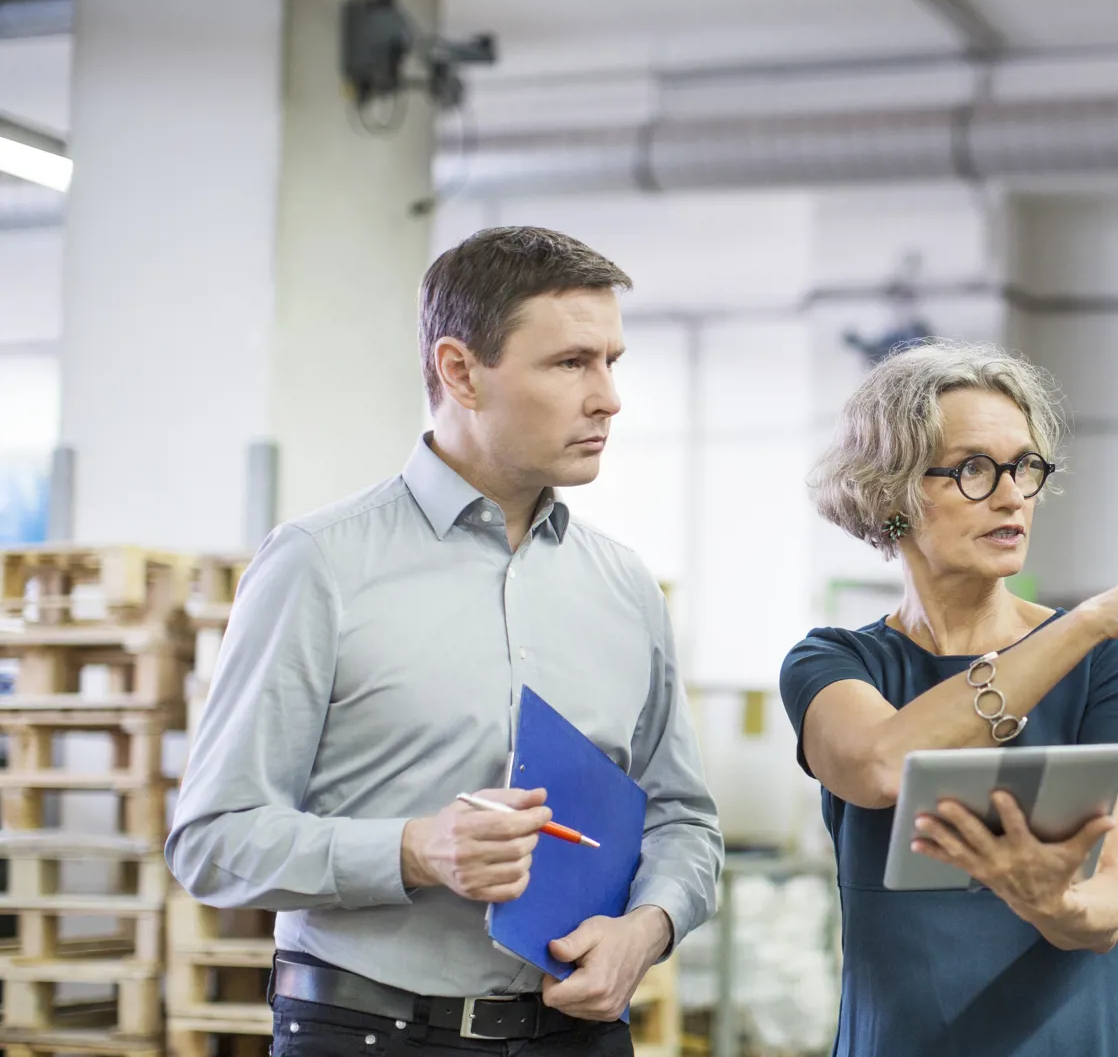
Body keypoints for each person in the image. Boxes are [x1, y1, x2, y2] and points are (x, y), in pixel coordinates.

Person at [167, 226, 723, 1056]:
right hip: (370, 1033)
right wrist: (414, 849)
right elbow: (213, 840)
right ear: (461, 371)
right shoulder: (320, 566)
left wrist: (646, 930)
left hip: (578, 1034)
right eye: (572, 363)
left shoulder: (625, 587)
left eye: (613, 361)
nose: (608, 397)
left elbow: (683, 818)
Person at [779, 340, 1118, 1056]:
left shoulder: (1109, 663)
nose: (1012, 495)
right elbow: (881, 768)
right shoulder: (835, 662)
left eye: (1025, 467)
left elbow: (1108, 908)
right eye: (974, 469)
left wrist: (1055, 902)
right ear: (891, 495)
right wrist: (1092, 617)